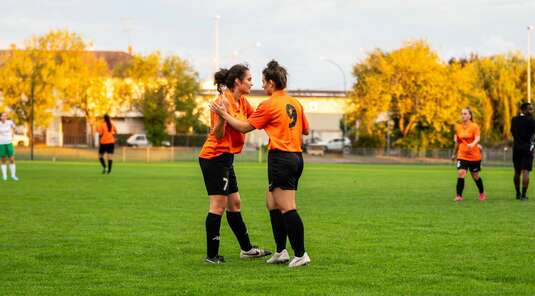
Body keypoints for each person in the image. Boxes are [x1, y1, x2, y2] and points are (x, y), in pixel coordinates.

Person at [210, 60, 311, 268]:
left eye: (264, 82)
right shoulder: (295, 102)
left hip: (281, 158)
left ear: (272, 83)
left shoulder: (270, 104)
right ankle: (281, 251)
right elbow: (306, 130)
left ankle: (301, 254)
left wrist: (224, 114)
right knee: (272, 203)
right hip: (295, 157)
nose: (262, 86)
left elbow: (245, 127)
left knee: (287, 207)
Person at [199, 64, 271, 264]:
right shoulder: (221, 101)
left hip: (226, 158)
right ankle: (212, 256)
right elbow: (219, 134)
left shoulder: (243, 102)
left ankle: (246, 250)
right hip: (214, 157)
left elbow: (254, 121)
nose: (252, 82)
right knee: (218, 205)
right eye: (248, 79)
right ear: (237, 82)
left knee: (235, 203)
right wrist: (222, 117)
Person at [451, 107, 486, 202]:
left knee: (475, 176)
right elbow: (457, 142)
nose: (463, 115)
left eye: (465, 114)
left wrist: (472, 144)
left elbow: (477, 138)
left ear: (470, 116)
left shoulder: (474, 126)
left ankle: (482, 193)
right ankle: (459, 196)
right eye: (462, 114)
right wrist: (454, 154)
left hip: (474, 156)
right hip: (462, 155)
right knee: (461, 173)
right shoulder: (458, 127)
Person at [510, 102, 535, 200]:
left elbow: (512, 132)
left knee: (517, 172)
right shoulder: (531, 120)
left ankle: (517, 194)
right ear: (523, 110)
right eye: (530, 109)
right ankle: (523, 195)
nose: (532, 111)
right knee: (526, 172)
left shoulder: (514, 120)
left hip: (516, 148)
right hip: (527, 148)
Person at [0, 112, 18, 181]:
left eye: (6, 116)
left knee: (12, 159)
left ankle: (13, 176)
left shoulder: (10, 122)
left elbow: (14, 128)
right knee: (3, 160)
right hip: (1, 144)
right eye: (3, 116)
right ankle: (5, 176)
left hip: (9, 143)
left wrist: (13, 134)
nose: (5, 117)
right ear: (0, 117)